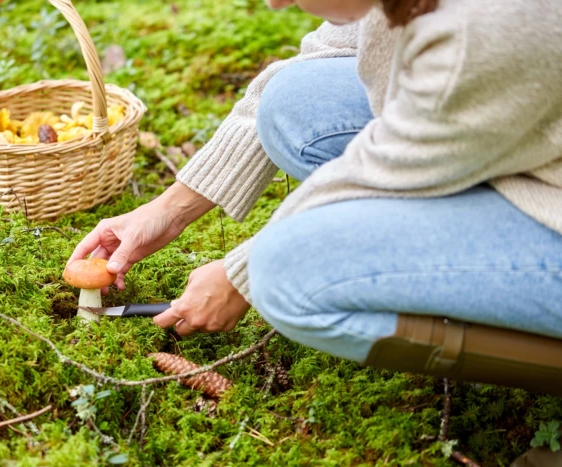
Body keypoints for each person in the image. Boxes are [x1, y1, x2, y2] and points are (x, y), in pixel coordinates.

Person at [67, 0, 562, 374]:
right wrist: (172, 209)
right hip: (519, 138)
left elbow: (377, 177)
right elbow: (313, 60)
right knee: (295, 98)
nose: (276, 4)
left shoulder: (481, 31)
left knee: (286, 274)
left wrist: (241, 275)